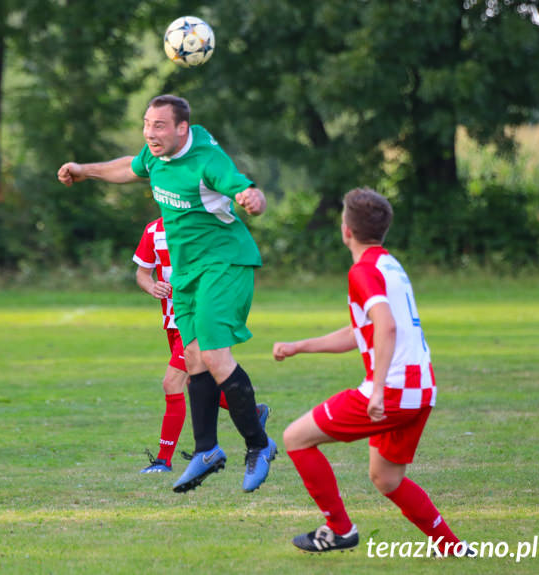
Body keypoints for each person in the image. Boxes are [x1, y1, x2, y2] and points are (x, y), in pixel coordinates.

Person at [58, 94, 275, 493]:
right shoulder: (157, 155)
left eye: (158, 126)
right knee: (192, 356)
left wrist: (251, 196)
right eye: (146, 124)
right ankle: (206, 451)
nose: (149, 133)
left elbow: (238, 185)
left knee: (212, 354)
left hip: (224, 264)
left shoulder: (207, 159)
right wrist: (83, 170)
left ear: (182, 128)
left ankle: (258, 445)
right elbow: (130, 166)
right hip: (187, 272)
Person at [272, 187, 467, 554]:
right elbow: (359, 332)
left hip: (392, 390)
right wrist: (300, 347)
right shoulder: (390, 265)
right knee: (386, 477)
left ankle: (339, 529)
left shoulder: (362, 271)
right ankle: (451, 547)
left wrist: (376, 390)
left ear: (346, 230)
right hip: (422, 388)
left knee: (295, 437)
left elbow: (386, 326)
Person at [133, 217, 270, 474]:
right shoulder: (152, 229)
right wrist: (152, 287)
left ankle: (164, 461)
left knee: (171, 382)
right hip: (172, 322)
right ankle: (253, 411)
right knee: (192, 381)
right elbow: (142, 273)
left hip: (197, 319)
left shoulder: (201, 225)